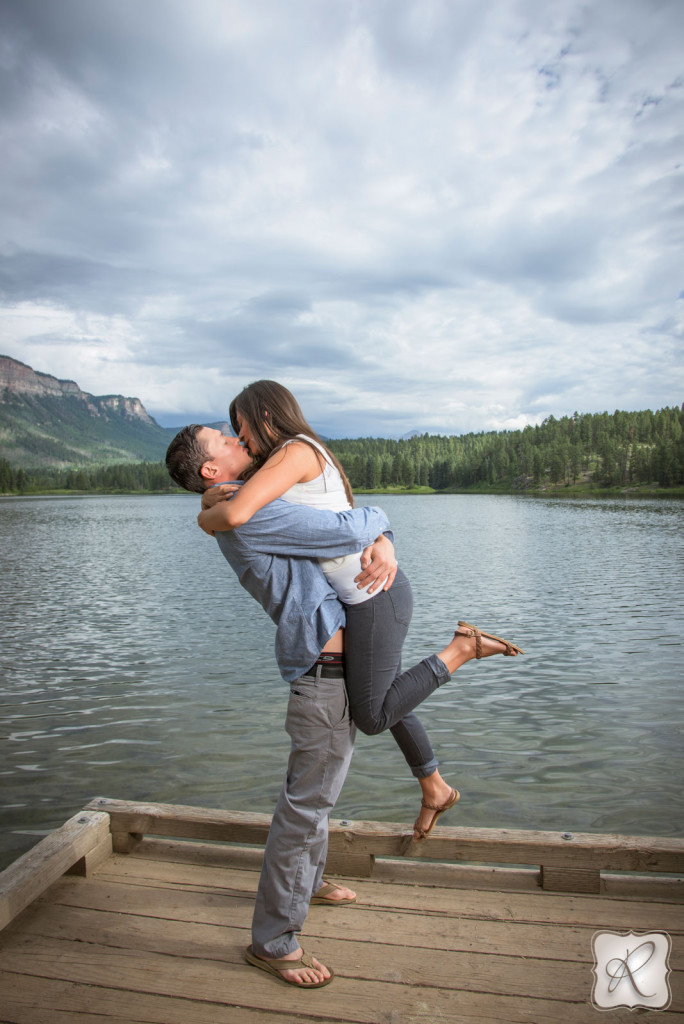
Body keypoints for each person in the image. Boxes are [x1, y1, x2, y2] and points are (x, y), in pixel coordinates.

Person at [196, 380, 523, 843]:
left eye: (240, 426)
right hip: (363, 598)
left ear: (265, 415)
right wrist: (216, 496)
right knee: (378, 689)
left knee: (371, 715)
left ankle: (461, 649)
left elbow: (234, 516)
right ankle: (434, 786)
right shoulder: (282, 461)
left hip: (376, 597)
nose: (240, 437)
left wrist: (204, 515)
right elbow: (271, 505)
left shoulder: (295, 450)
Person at [166, 424, 397, 988]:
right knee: (306, 806)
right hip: (322, 673)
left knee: (310, 796)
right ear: (209, 470)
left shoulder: (239, 504)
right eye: (222, 438)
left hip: (324, 670)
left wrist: (380, 538)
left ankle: (308, 881)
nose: (236, 437)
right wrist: (383, 523)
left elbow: (335, 531)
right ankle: (273, 942)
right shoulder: (252, 513)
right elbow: (343, 530)